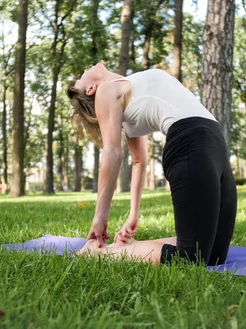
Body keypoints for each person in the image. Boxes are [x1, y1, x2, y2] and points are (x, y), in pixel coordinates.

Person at [67, 63, 237, 266]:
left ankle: (126, 249)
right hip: (190, 143)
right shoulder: (106, 89)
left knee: (216, 254)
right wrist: (100, 217)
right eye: (81, 76)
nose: (85, 69)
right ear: (90, 89)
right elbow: (112, 152)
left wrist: (133, 214)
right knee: (190, 259)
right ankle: (98, 254)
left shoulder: (129, 89)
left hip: (215, 142)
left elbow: (139, 161)